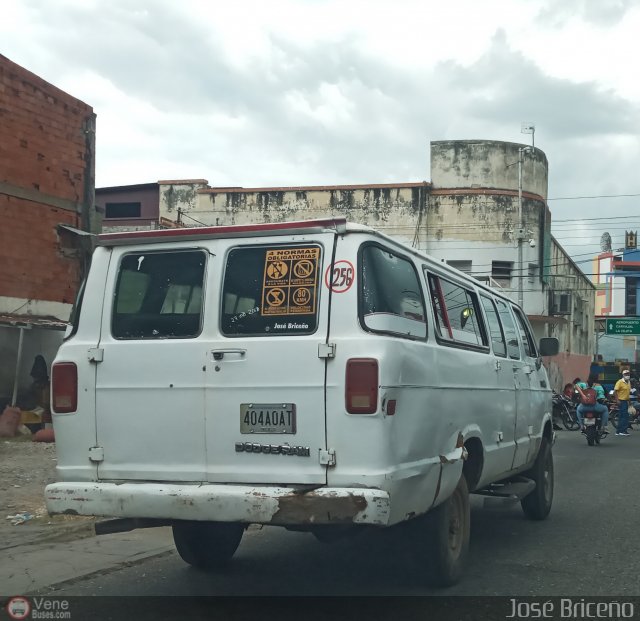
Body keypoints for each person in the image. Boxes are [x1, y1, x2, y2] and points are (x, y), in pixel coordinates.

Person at [613, 369, 632, 436]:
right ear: (623, 375)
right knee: (624, 416)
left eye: (628, 374)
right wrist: (617, 400)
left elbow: (627, 393)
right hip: (621, 401)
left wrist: (629, 402)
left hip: (626, 401)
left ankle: (618, 431)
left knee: (622, 416)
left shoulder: (629, 382)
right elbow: (615, 391)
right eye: (626, 374)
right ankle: (623, 431)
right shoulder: (620, 382)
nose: (627, 375)